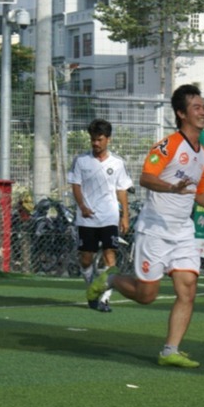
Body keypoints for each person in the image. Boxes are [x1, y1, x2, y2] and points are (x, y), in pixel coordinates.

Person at [85, 84, 204, 368]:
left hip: (183, 231)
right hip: (155, 229)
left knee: (188, 289)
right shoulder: (169, 144)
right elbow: (146, 178)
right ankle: (109, 279)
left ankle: (169, 351)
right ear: (181, 113)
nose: (203, 112)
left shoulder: (203, 154)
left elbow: (198, 193)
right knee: (146, 296)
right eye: (197, 107)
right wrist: (171, 187)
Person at [68, 118, 133, 312]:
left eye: (100, 139)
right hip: (87, 218)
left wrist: (125, 216)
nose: (96, 143)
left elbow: (121, 190)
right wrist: (82, 206)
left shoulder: (118, 163)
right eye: (93, 140)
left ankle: (104, 298)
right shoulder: (81, 161)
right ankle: (92, 290)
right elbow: (75, 185)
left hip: (109, 217)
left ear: (108, 140)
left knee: (109, 255)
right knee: (86, 259)